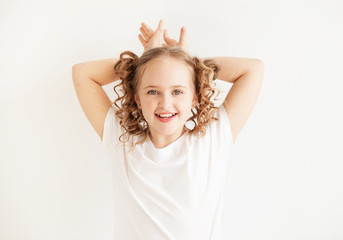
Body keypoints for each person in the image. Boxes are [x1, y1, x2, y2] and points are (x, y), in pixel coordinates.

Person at [72, 19, 264, 240]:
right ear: (138, 99)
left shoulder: (212, 139)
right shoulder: (123, 142)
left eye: (177, 91)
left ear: (195, 98)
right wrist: (146, 62)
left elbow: (254, 69)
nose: (165, 103)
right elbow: (82, 74)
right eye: (153, 91)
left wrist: (186, 63)